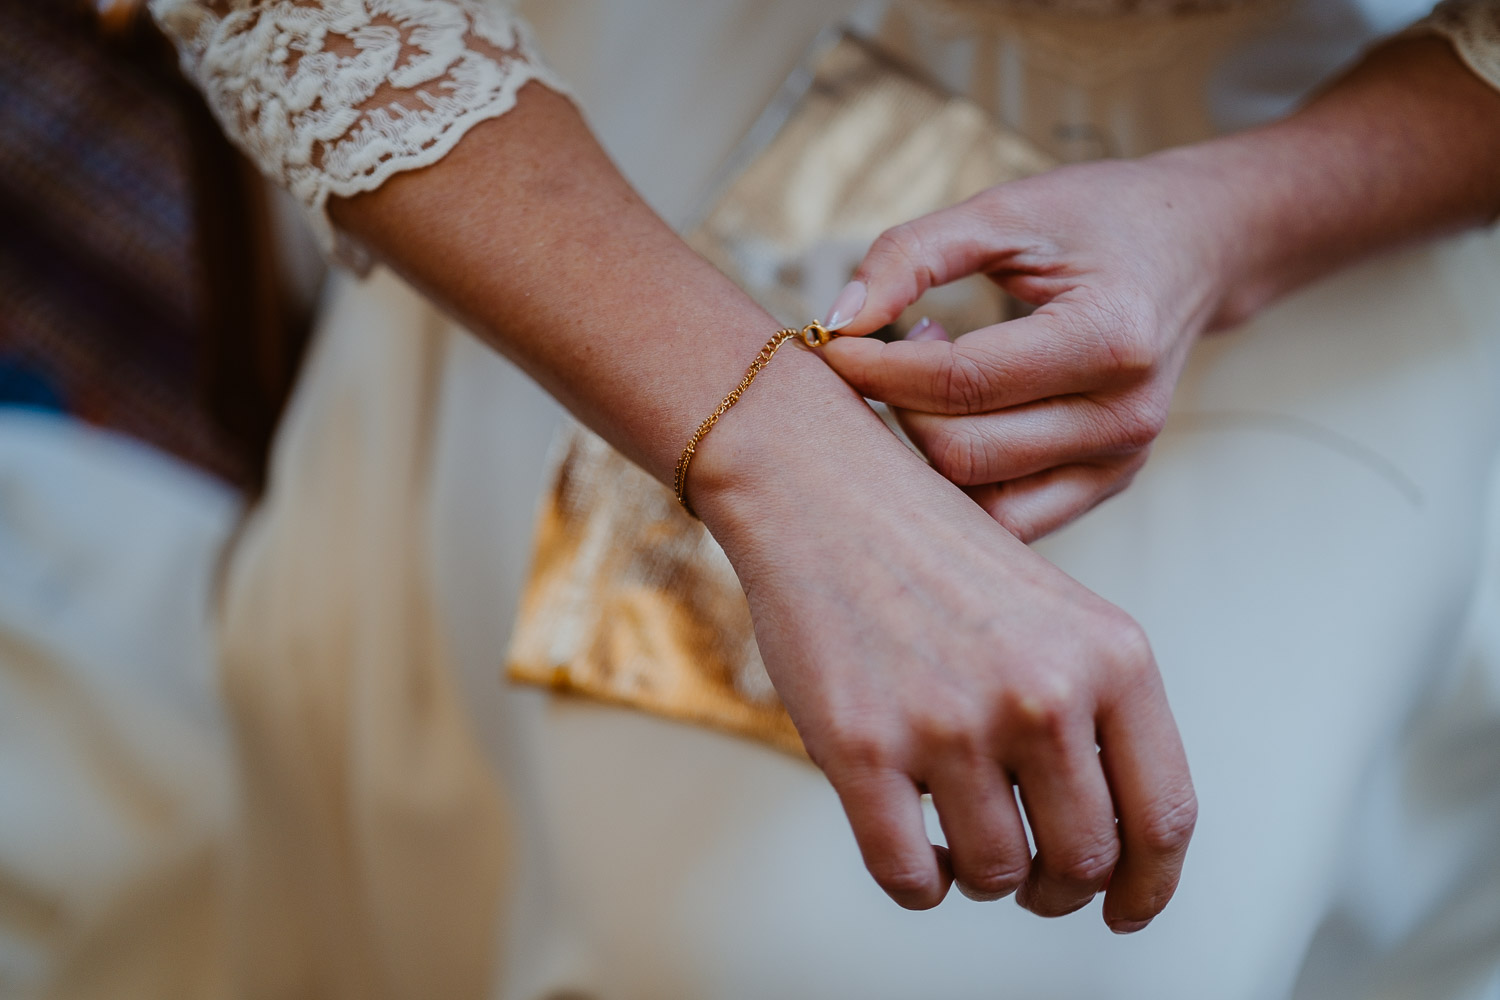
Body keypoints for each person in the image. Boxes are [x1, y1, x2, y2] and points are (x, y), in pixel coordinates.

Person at [31, 0, 1493, 995]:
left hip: (1334, 180)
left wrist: (1233, 225)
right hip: (570, 168)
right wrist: (773, 445)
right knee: (591, 842)